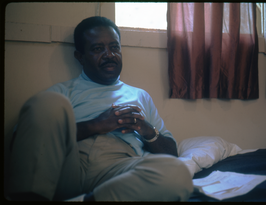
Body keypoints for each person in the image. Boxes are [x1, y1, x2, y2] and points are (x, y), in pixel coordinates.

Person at [6, 16, 193, 201]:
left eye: (114, 47)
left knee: (177, 173)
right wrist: (97, 125)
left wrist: (145, 129)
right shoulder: (62, 93)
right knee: (47, 101)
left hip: (120, 168)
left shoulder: (140, 96)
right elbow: (22, 142)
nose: (109, 55)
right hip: (68, 166)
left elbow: (171, 154)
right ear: (80, 57)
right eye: (97, 48)